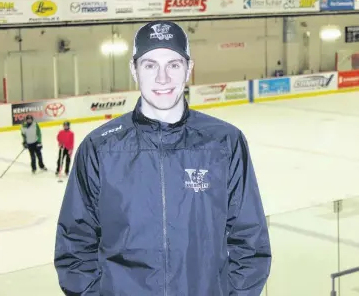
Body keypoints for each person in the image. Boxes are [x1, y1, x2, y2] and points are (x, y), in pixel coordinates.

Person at [54, 21, 271, 296]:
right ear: (134, 70)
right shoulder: (100, 148)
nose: (162, 78)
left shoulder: (224, 143)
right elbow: (74, 247)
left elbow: (250, 244)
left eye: (173, 64)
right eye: (149, 65)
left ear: (189, 69)